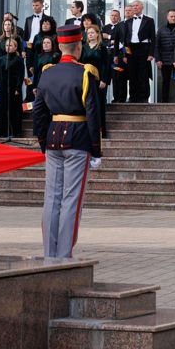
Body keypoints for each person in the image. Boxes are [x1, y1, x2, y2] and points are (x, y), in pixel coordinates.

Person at [32, 23, 103, 258]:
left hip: (53, 138)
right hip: (79, 139)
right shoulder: (86, 73)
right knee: (72, 198)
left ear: (60, 46)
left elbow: (38, 111)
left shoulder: (47, 72)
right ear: (79, 46)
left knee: (51, 198)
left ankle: (49, 252)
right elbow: (93, 114)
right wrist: (96, 150)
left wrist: (43, 141)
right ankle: (64, 254)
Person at [0, 36, 25, 139]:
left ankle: (15, 131)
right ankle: (2, 132)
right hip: (2, 87)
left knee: (14, 110)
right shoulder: (1, 59)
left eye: (10, 45)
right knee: (2, 110)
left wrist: (18, 88)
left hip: (14, 88)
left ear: (15, 47)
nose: (8, 47)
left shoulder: (19, 60)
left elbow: (21, 76)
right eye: (7, 45)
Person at [124, 0, 155, 103]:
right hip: (131, 49)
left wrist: (151, 53)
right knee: (132, 74)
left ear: (142, 7)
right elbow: (125, 40)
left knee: (144, 74)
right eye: (133, 6)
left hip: (144, 48)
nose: (135, 7)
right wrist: (125, 54)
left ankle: (144, 97)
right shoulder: (127, 22)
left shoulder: (149, 20)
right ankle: (133, 97)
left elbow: (153, 38)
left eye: (137, 5)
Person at [154, 9, 175, 103]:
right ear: (167, 17)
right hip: (165, 60)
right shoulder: (161, 29)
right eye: (171, 16)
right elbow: (157, 46)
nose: (173, 18)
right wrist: (158, 59)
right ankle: (164, 102)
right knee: (165, 81)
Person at [79, 25, 110, 103]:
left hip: (99, 79)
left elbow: (106, 64)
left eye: (92, 32)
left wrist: (104, 80)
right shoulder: (83, 47)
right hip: (86, 78)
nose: (90, 34)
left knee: (99, 101)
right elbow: (80, 63)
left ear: (97, 34)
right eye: (88, 33)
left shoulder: (102, 47)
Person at [31, 33, 61, 101]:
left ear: (52, 44)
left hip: (52, 84)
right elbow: (36, 72)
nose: (46, 44)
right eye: (44, 43)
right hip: (40, 83)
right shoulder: (38, 56)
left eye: (48, 42)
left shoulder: (57, 56)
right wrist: (34, 87)